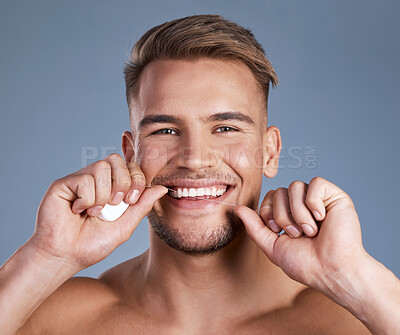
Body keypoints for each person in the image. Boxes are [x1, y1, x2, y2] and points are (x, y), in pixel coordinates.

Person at [0, 14, 399, 335]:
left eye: (225, 128)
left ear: (270, 152)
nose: (194, 158)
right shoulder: (53, 319)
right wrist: (45, 257)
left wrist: (351, 276)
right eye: (165, 130)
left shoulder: (354, 320)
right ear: (130, 153)